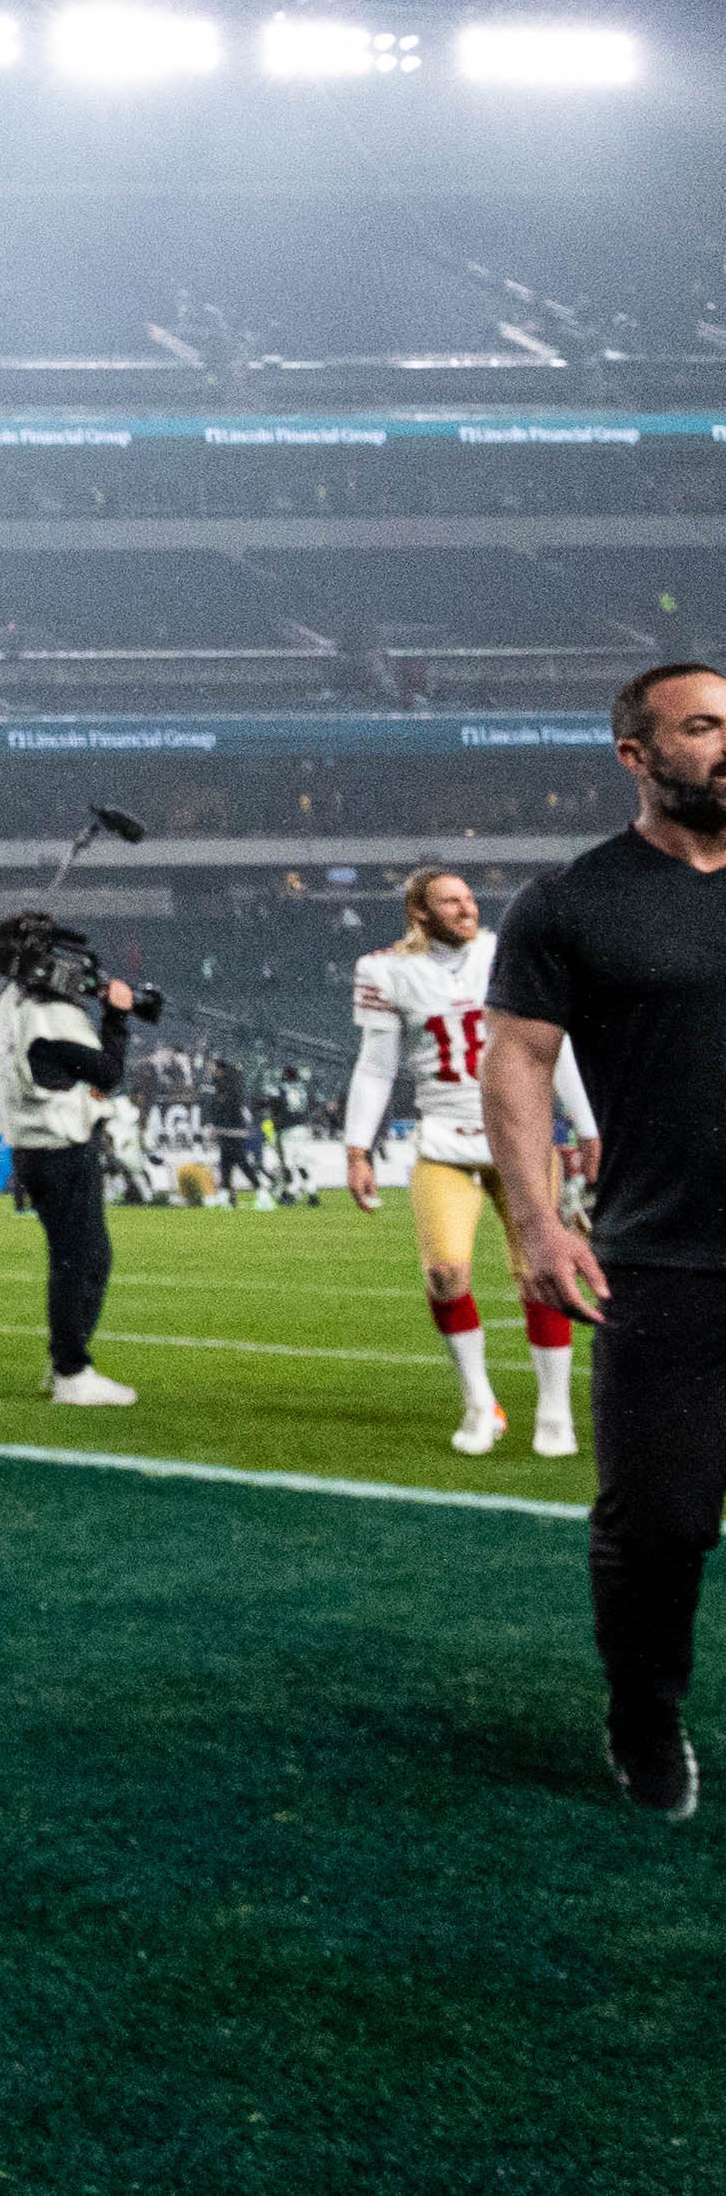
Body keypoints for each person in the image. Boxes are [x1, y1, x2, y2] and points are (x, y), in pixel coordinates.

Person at [486, 660, 726, 1817]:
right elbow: (519, 1060)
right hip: (665, 1255)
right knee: (664, 1521)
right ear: (635, 755)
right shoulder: (571, 901)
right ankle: (644, 1712)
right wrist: (533, 1217)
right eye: (702, 726)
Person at [346, 865, 598, 1456]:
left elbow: (550, 1051)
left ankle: (555, 1411)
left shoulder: (508, 953)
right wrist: (358, 1148)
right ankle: (480, 1403)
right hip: (444, 1140)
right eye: (449, 902)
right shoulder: (385, 970)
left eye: (468, 898)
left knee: (541, 1274)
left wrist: (586, 1127)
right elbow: (377, 1066)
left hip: (524, 1139)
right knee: (444, 1273)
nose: (466, 909)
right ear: (420, 913)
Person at [0, 910, 147, 1407]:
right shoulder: (48, 1013)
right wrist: (117, 1016)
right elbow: (107, 1072)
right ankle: (72, 1370)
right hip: (59, 1148)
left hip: (34, 1146)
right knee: (85, 1259)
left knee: (71, 1258)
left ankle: (65, 1365)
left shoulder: (10, 1003)